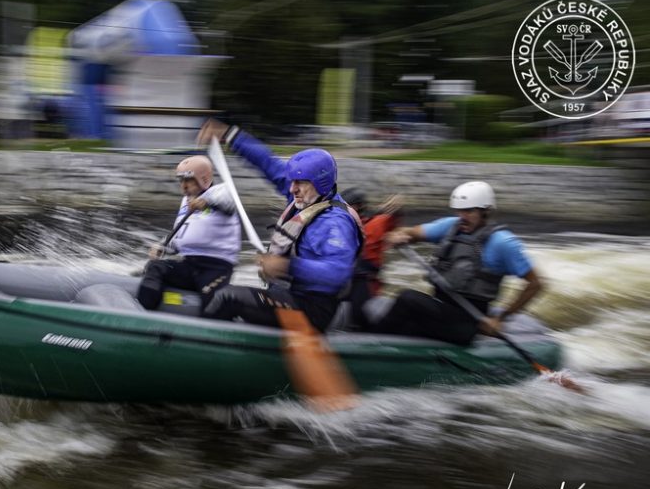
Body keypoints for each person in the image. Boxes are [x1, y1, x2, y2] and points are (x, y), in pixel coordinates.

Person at [196, 119, 361, 332]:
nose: (291, 189)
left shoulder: (335, 222)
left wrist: (285, 266)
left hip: (312, 310)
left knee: (228, 297)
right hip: (288, 295)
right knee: (224, 292)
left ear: (320, 183)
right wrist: (230, 135)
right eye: (292, 182)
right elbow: (267, 162)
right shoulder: (306, 195)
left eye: (299, 183)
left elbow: (337, 272)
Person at [373, 181, 543, 345]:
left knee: (408, 298)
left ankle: (374, 344)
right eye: (459, 211)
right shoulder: (451, 226)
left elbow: (536, 284)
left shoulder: (503, 243)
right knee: (403, 320)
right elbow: (412, 233)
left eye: (469, 211)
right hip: (441, 309)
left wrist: (501, 318)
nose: (462, 216)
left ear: (485, 211)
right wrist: (400, 235)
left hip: (467, 322)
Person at [137, 155, 241, 311]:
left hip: (216, 268)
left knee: (213, 307)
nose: (183, 186)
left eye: (188, 180)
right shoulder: (186, 202)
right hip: (190, 264)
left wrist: (207, 202)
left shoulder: (222, 191)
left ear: (203, 179)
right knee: (155, 267)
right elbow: (181, 235)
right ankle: (142, 313)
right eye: (181, 180)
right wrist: (163, 246)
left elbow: (228, 202)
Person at [339, 188, 404, 329]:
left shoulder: (377, 222)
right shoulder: (341, 225)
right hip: (345, 277)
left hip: (365, 280)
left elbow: (392, 221)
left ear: (357, 207)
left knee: (360, 313)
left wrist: (396, 210)